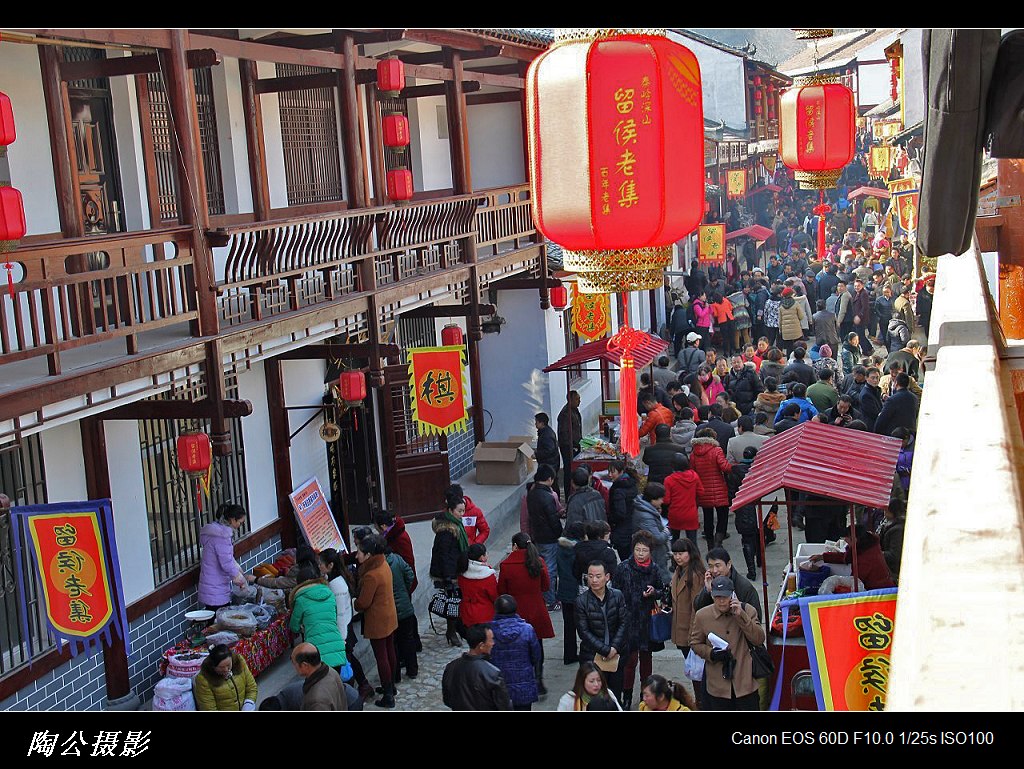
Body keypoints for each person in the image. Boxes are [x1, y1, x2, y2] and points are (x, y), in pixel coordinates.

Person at [689, 576, 766, 711]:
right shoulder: (702, 615)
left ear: (733, 595)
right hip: (717, 685)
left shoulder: (748, 610)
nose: (722, 601)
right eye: (717, 597)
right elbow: (695, 643)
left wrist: (741, 616)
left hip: (745, 683)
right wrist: (711, 653)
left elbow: (758, 639)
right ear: (712, 596)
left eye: (725, 596)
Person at [613, 530, 668, 711]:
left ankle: (645, 695)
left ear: (650, 551)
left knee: (646, 660)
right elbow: (615, 592)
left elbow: (662, 591)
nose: (641, 553)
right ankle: (626, 695)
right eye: (638, 550)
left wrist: (654, 592)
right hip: (628, 621)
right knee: (630, 661)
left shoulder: (654, 569)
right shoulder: (623, 568)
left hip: (647, 621)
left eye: (644, 550)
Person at [498, 532, 555, 694]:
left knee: (518, 646)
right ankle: (538, 678)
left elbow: (502, 590)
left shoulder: (506, 565)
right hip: (537, 608)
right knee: (537, 645)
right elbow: (545, 586)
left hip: (517, 611)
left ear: (515, 546)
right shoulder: (539, 562)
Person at [353, 533, 399, 708]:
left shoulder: (371, 575)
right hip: (389, 614)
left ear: (368, 555)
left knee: (382, 657)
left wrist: (354, 603)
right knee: (390, 651)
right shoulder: (383, 564)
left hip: (378, 619)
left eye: (359, 552)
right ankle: (391, 686)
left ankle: (388, 695)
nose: (357, 556)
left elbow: (363, 602)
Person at [575, 559, 628, 698]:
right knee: (593, 697)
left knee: (614, 694)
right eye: (590, 576)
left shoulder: (617, 595)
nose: (594, 580)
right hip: (592, 655)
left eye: (598, 576)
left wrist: (614, 648)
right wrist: (605, 650)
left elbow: (623, 623)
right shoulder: (581, 601)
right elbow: (583, 632)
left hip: (616, 654)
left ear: (607, 577)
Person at [289, 562, 349, 681]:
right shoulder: (329, 593)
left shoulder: (300, 600)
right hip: (336, 644)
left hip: (316, 652)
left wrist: (303, 626)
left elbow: (294, 627)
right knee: (336, 685)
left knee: (321, 687)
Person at [489, 594, 542, 711]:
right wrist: (537, 677)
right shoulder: (527, 629)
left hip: (498, 683)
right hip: (524, 683)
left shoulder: (489, 631)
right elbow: (536, 656)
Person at [441, 623, 512, 711]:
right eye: (491, 640)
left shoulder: (451, 667)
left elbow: (447, 700)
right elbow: (504, 706)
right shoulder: (492, 673)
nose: (493, 643)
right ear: (481, 645)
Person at [198, 503, 255, 610]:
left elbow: (227, 558)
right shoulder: (222, 537)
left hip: (211, 582)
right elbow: (227, 563)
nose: (240, 525)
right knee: (219, 617)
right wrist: (239, 578)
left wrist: (237, 569)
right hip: (216, 587)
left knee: (213, 614)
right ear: (232, 520)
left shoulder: (215, 531)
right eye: (240, 522)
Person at [431, 494, 470, 647]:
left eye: (463, 511)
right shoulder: (446, 530)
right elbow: (444, 555)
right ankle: (452, 631)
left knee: (456, 601)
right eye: (459, 511)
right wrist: (448, 577)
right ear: (450, 510)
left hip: (456, 569)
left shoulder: (457, 525)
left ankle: (455, 629)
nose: (462, 514)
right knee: (453, 602)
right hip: (449, 572)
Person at [316, 549, 360, 682]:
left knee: (346, 666)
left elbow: (341, 614)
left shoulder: (337, 586)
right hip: (344, 630)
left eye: (321, 564)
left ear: (330, 565)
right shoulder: (335, 580)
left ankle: (359, 687)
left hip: (343, 632)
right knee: (348, 662)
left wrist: (341, 640)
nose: (319, 566)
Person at [809, 525, 896, 590]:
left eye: (848, 539)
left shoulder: (865, 558)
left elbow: (855, 583)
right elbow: (847, 557)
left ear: (855, 539)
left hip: (880, 592)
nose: (845, 540)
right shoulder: (867, 546)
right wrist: (823, 557)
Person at [526, 464, 563, 609]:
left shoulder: (532, 493)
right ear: (549, 479)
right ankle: (550, 599)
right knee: (550, 569)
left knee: (542, 566)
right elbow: (553, 519)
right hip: (549, 537)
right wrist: (559, 532)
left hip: (538, 535)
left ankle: (545, 596)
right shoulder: (546, 496)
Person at [690, 427, 733, 548]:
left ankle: (710, 543)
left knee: (707, 516)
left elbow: (692, 472)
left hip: (703, 489)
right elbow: (724, 467)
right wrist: (734, 467)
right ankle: (719, 540)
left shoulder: (694, 454)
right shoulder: (716, 450)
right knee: (723, 515)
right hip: (719, 488)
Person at [693, 547, 763, 622]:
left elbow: (756, 617)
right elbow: (698, 608)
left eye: (717, 565)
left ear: (729, 564)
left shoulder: (744, 587)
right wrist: (707, 591)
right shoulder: (711, 582)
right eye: (710, 566)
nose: (714, 570)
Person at [668, 537, 704, 660]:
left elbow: (697, 606)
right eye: (675, 554)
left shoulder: (696, 575)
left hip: (690, 628)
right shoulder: (678, 571)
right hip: (679, 627)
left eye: (681, 553)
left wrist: (693, 634)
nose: (677, 557)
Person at [193, 643, 257, 711]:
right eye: (221, 667)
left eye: (228, 665)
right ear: (213, 666)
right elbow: (209, 708)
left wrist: (248, 703)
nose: (226, 670)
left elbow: (251, 687)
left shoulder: (239, 662)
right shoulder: (203, 680)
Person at [290, 642, 348, 711]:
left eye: (294, 663)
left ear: (304, 665)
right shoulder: (330, 671)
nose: (294, 667)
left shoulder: (316, 701)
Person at [457, 542, 499, 634]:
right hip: (485, 614)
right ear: (482, 557)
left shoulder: (462, 571)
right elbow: (494, 596)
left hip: (467, 613)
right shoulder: (487, 576)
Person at [663, 453, 704, 545]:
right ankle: (695, 559)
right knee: (693, 543)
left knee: (674, 542)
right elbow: (701, 492)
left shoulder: (669, 480)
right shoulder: (694, 476)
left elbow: (666, 500)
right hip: (691, 514)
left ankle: (676, 559)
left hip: (675, 514)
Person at [631, 482, 671, 569]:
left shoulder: (646, 509)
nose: (662, 501)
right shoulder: (646, 516)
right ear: (653, 499)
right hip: (654, 555)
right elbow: (658, 538)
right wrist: (667, 531)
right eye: (660, 499)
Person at [607, 460, 640, 561]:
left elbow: (620, 513)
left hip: (622, 530)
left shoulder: (618, 491)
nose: (610, 475)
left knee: (625, 559)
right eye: (609, 472)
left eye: (613, 472)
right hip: (631, 526)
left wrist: (610, 519)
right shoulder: (631, 484)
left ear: (621, 472)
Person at [557, 661, 622, 711]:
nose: (596, 684)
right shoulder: (568, 700)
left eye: (599, 680)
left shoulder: (608, 693)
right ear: (582, 682)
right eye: (591, 681)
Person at [573, 520, 619, 586]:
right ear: (600, 536)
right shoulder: (608, 552)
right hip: (603, 586)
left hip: (585, 584)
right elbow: (613, 573)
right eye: (607, 533)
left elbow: (575, 571)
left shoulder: (579, 548)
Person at [557, 390, 583, 500]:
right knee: (568, 470)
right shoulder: (565, 414)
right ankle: (568, 494)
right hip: (568, 447)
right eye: (577, 399)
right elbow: (564, 433)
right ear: (570, 400)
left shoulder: (574, 410)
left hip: (576, 444)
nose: (579, 401)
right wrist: (572, 446)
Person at [877, 503, 906, 582]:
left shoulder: (897, 530)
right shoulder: (887, 524)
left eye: (886, 511)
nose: (884, 514)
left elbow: (895, 555)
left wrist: (879, 553)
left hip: (893, 570)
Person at [777, 286, 805, 355]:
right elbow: (801, 316)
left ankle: (789, 360)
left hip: (786, 331)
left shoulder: (781, 305)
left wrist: (781, 329)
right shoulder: (796, 304)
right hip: (796, 329)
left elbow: (780, 320)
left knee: (789, 348)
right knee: (797, 346)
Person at [534, 411, 560, 482]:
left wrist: (536, 454)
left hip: (550, 464)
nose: (535, 424)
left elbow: (549, 450)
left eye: (536, 422)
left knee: (550, 482)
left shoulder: (546, 435)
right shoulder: (544, 432)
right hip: (550, 463)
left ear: (542, 423)